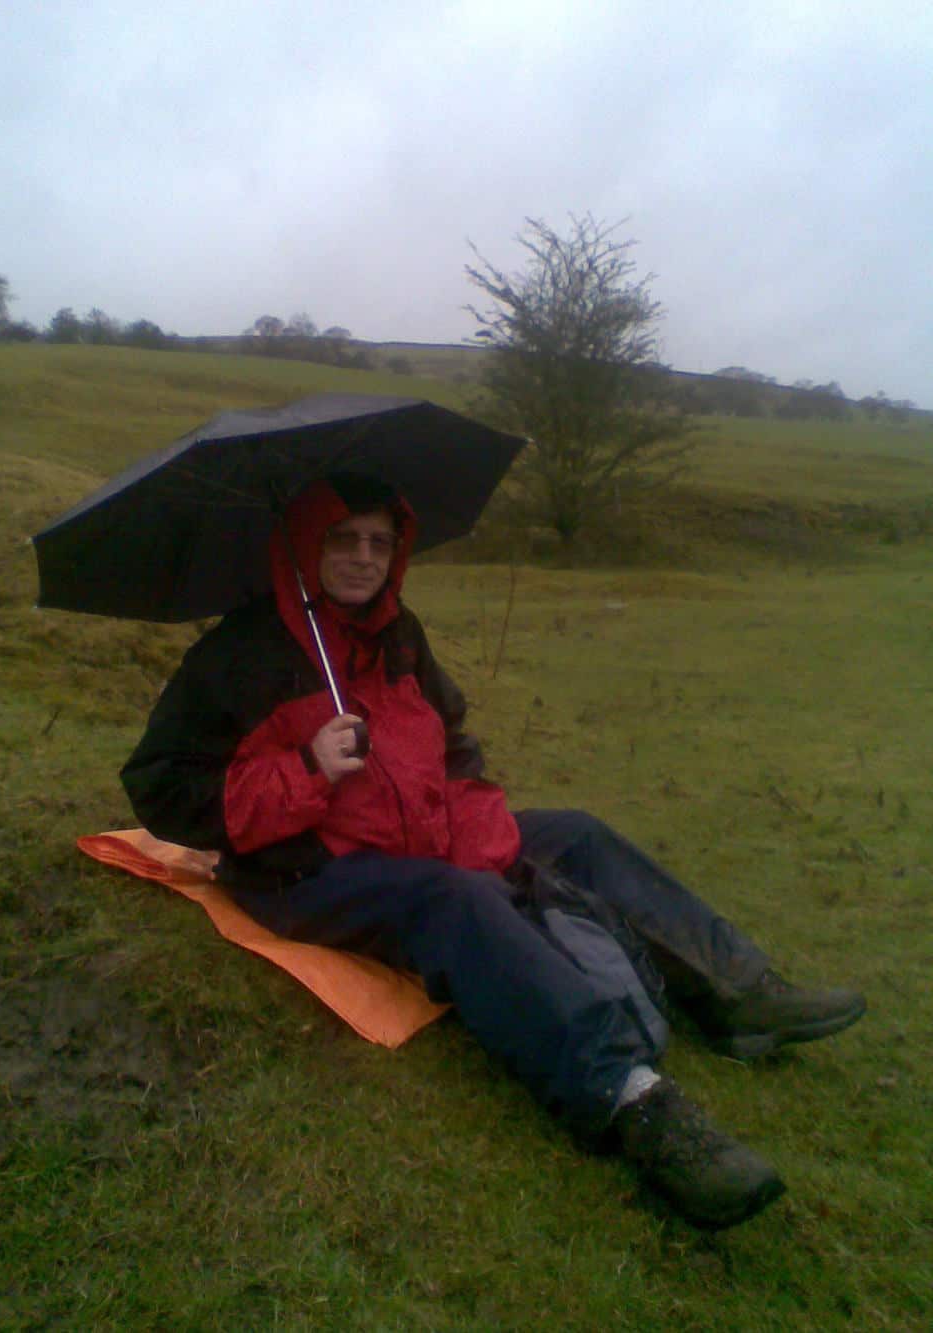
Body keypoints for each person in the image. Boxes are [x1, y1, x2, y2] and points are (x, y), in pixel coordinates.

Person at [121, 474, 865, 1230]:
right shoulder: (240, 652)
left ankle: (739, 992)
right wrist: (305, 769)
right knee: (455, 899)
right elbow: (159, 788)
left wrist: (474, 822)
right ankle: (632, 1099)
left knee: (574, 832)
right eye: (342, 540)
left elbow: (451, 741)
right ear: (306, 544)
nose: (363, 558)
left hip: (420, 835)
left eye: (380, 541)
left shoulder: (398, 633)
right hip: (307, 868)